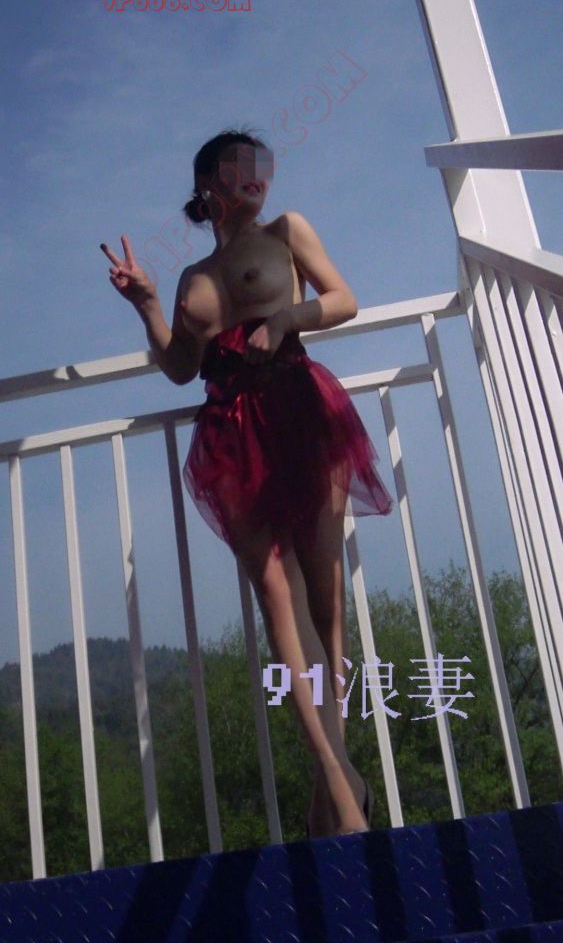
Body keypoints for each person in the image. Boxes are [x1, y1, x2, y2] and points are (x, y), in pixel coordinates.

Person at [100, 127, 393, 840]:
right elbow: (180, 367)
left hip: (299, 404)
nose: (255, 174)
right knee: (275, 595)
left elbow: (344, 298)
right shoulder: (191, 278)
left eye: (260, 164)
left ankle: (336, 784)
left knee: (324, 597)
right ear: (209, 185)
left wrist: (289, 315)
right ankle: (339, 782)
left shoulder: (287, 231)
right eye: (238, 167)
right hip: (232, 428)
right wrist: (146, 304)